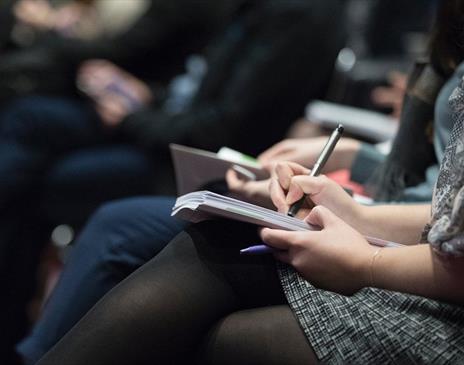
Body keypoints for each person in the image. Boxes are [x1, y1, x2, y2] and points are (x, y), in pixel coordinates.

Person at [17, 1, 464, 361]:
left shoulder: (298, 14)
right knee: (202, 239)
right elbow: (449, 210)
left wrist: (366, 258)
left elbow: (452, 245)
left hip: (435, 297)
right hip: (404, 226)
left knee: (200, 308)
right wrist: (357, 210)